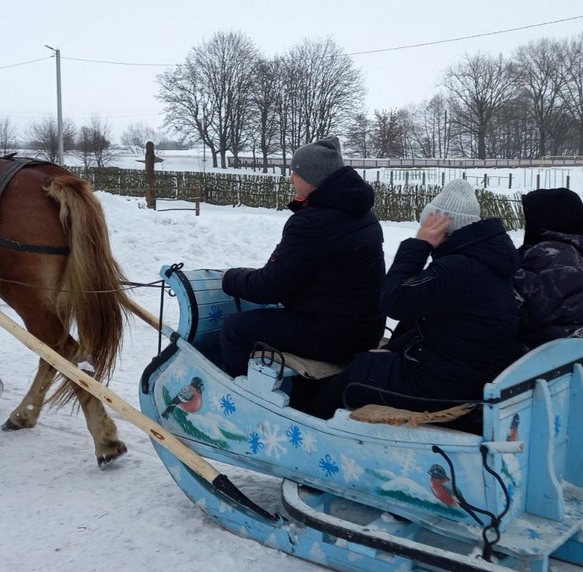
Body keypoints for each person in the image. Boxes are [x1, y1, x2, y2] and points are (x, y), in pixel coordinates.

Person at [297, 179, 521, 421]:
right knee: (368, 362)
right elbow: (446, 325)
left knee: (357, 376)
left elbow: (395, 300)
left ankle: (309, 427)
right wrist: (395, 347)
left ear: (440, 229)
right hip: (467, 371)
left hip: (449, 385)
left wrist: (418, 245)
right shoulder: (485, 261)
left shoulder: (456, 269)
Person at [218, 136, 385, 377]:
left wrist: (229, 278)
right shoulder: (362, 214)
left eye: (295, 172)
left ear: (312, 178)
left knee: (235, 329)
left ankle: (240, 396)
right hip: (366, 329)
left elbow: (269, 286)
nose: (290, 178)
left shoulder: (311, 223)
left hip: (337, 336)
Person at [514, 188, 583, 350]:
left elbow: (508, 312)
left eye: (531, 221)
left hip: (532, 364)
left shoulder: (547, 259)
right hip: (562, 362)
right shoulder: (568, 257)